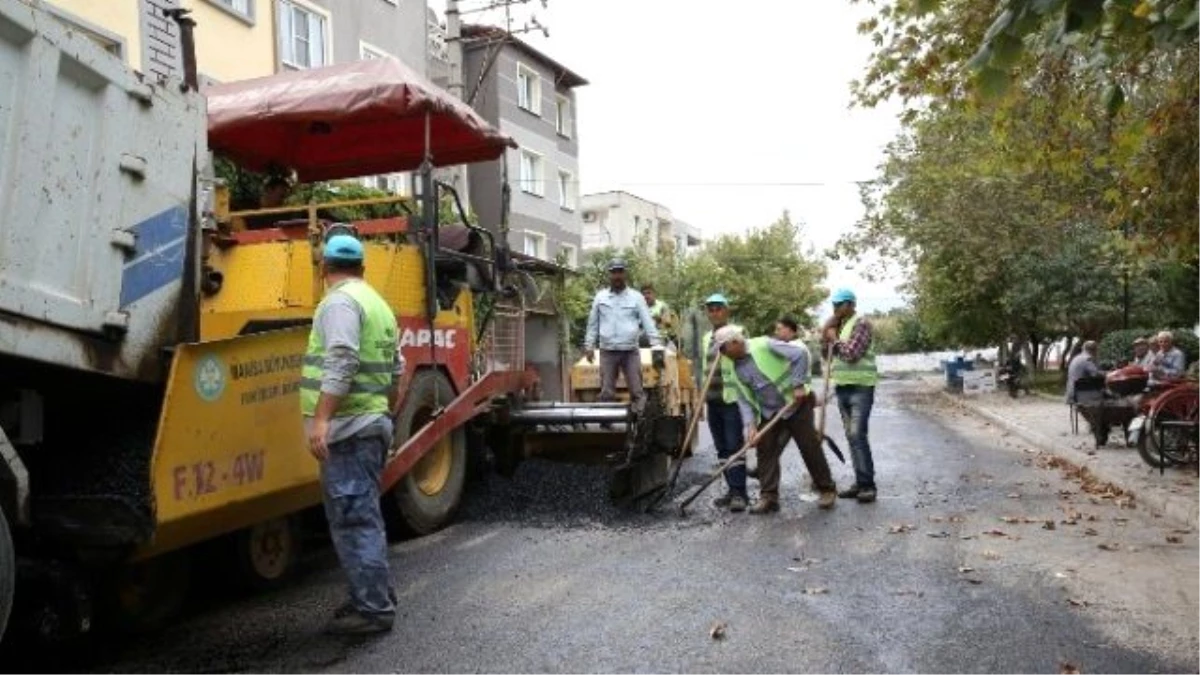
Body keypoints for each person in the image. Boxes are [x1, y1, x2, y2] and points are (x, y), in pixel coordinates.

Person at [300, 234, 403, 635]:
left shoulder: (340, 303)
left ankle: (374, 610)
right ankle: (372, 594)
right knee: (363, 515)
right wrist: (387, 413)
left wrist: (322, 419)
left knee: (354, 519)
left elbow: (341, 359)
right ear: (362, 267)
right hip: (370, 422)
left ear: (324, 268)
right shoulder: (377, 304)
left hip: (348, 428)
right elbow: (397, 369)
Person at [714, 325, 837, 514]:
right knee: (765, 450)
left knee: (809, 446)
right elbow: (743, 397)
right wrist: (751, 426)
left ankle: (827, 489)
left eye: (723, 348)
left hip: (795, 404)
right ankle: (769, 497)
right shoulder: (732, 363)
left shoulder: (764, 345)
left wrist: (797, 384)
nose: (721, 353)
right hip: (769, 411)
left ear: (735, 342)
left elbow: (800, 355)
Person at [821, 288, 879, 504]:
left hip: (861, 388)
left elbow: (851, 354)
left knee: (857, 435)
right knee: (851, 438)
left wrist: (834, 339)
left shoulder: (861, 323)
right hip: (843, 387)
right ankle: (860, 481)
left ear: (851, 304)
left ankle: (867, 486)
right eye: (834, 305)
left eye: (839, 304)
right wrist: (826, 335)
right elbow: (826, 355)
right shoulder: (840, 326)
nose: (835, 308)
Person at [583, 259, 661, 412]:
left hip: (630, 351)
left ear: (625, 274)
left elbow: (647, 321)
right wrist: (589, 345)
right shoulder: (600, 297)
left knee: (637, 391)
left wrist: (656, 344)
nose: (617, 275)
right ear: (609, 275)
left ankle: (639, 424)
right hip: (607, 351)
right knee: (606, 392)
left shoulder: (636, 297)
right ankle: (606, 426)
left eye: (620, 272)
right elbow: (592, 324)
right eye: (614, 272)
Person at [700, 294, 748, 511]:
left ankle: (740, 493)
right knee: (721, 449)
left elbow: (744, 357)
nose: (715, 312)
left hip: (731, 400)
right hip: (712, 400)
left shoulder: (737, 332)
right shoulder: (705, 338)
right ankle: (731, 490)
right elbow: (705, 368)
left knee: (734, 446)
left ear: (727, 310)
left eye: (719, 308)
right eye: (711, 309)